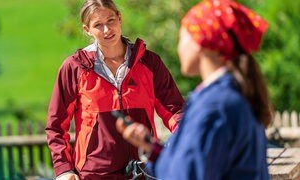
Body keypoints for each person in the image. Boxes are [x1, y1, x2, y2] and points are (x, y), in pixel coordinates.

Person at [116, 0, 273, 179]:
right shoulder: (232, 94)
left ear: (201, 42)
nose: (179, 47)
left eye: (182, 38)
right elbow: (195, 164)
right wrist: (152, 149)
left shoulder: (214, 106)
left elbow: (185, 175)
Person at [45, 0, 184, 179]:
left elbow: (175, 111)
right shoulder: (75, 68)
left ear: (119, 18)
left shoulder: (149, 63)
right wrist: (63, 169)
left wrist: (185, 142)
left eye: (110, 20)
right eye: (98, 25)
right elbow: (56, 125)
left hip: (144, 171)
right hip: (94, 174)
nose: (106, 30)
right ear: (87, 29)